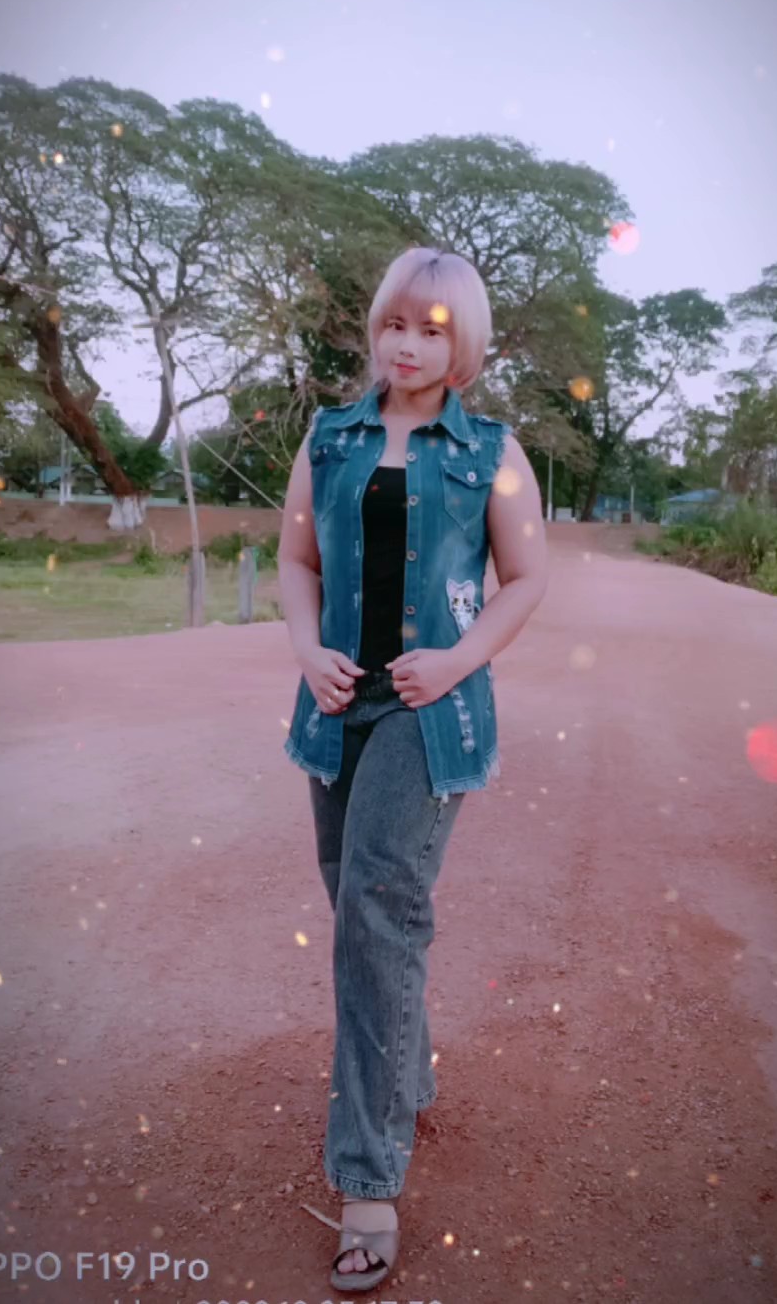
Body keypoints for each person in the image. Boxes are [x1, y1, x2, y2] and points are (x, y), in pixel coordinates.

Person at [278, 246, 548, 1290]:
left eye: (432, 329)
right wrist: (307, 649)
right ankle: (407, 1075)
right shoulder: (329, 438)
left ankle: (367, 1180)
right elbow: (297, 560)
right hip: (334, 701)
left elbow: (525, 578)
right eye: (395, 322)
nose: (408, 344)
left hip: (429, 710)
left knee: (376, 912)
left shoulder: (493, 450)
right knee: (356, 899)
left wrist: (457, 658)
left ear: (462, 345)